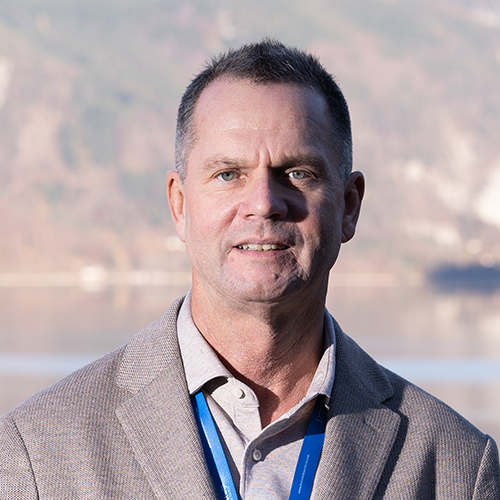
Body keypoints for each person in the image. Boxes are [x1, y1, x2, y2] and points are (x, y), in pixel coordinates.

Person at [1, 40, 499, 500]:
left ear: (349, 206)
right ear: (179, 204)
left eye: (297, 173)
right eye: (228, 174)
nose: (263, 202)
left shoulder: (454, 465)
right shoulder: (38, 452)